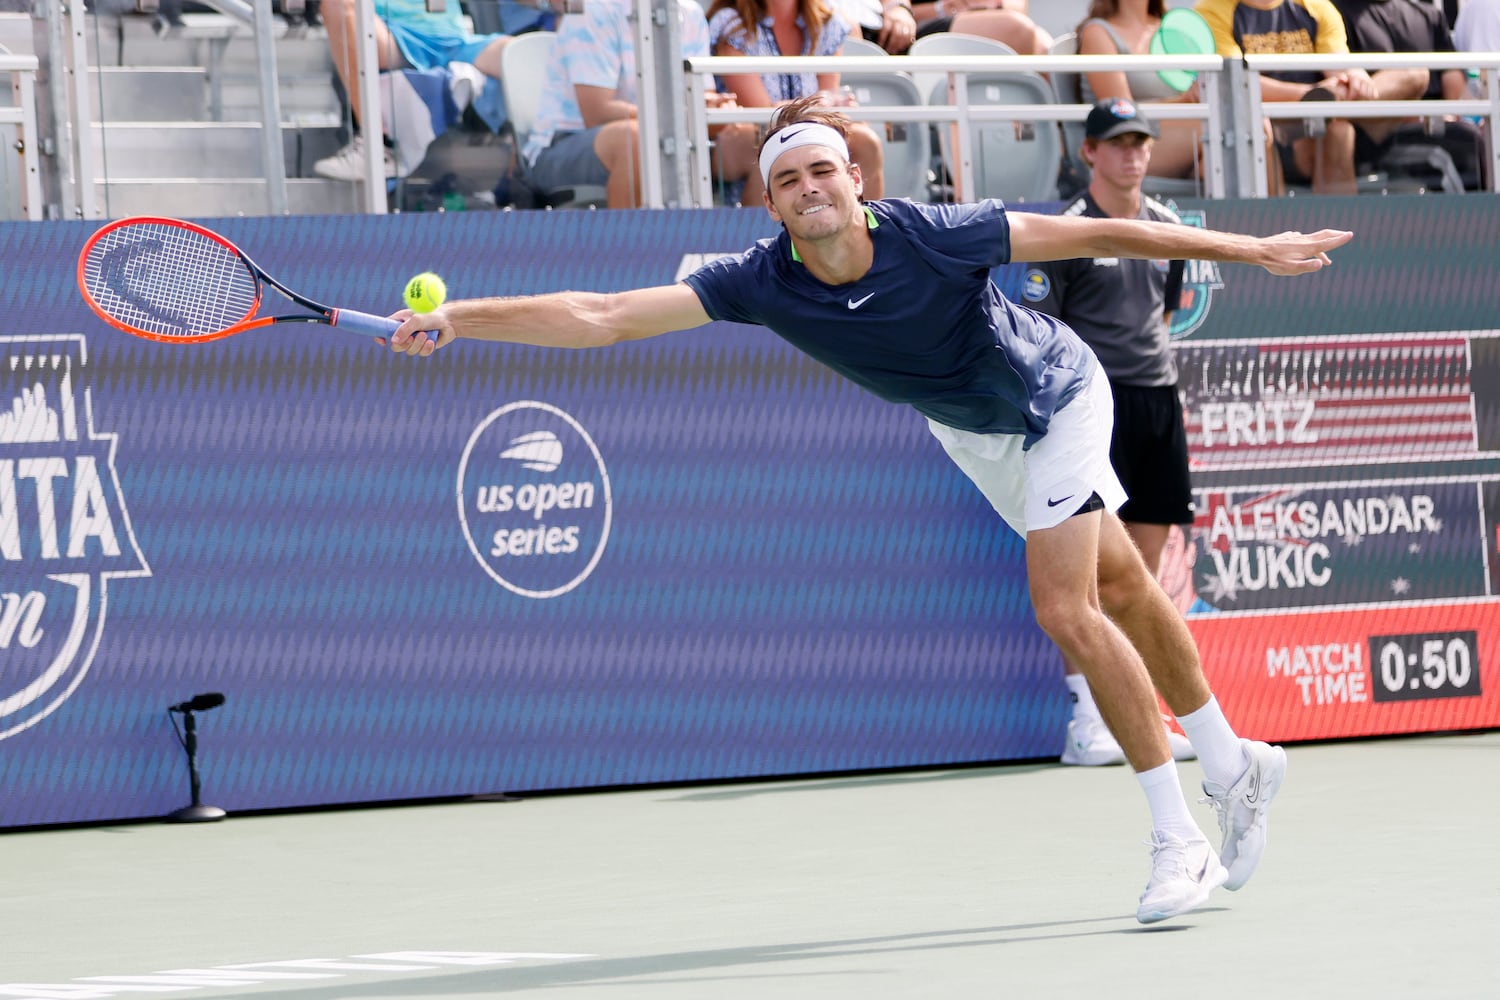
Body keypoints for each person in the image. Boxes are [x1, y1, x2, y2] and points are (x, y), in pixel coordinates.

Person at [387, 96, 1345, 924]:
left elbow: (1101, 233)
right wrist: (459, 317)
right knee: (1124, 587)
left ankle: (1179, 838)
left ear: (855, 180)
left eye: (824, 172)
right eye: (790, 180)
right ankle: (1234, 764)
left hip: (1055, 393)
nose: (811, 189)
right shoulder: (759, 280)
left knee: (1066, 609)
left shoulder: (935, 233)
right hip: (974, 434)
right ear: (769, 203)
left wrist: (1252, 247)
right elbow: (600, 315)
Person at [1023, 99, 1197, 768]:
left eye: (1141, 142)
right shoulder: (1063, 231)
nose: (1132, 154)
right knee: (1086, 574)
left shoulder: (1168, 227)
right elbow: (1042, 330)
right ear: (1089, 152)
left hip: (1158, 400)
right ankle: (1087, 720)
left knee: (1140, 576)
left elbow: (1162, 314)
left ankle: (1139, 712)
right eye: (1116, 142)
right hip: (1093, 409)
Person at [521, 0, 760, 208]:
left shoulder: (691, 13)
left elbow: (698, 100)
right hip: (559, 146)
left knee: (756, 141)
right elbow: (597, 113)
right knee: (636, 141)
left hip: (670, 138)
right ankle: (637, 256)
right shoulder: (594, 9)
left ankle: (762, 257)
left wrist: (716, 110)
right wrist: (684, 115)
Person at [1195, 0, 1428, 194]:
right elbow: (1234, 82)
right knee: (1334, 127)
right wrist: (1307, 95)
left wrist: (1355, 79)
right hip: (1266, 133)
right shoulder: (1211, 12)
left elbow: (1340, 63)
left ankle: (1338, 237)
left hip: (1331, 121)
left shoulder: (1316, 6)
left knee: (1414, 73)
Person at [708, 0, 886, 205]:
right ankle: (765, 234)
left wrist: (836, 108)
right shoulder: (732, 23)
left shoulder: (826, 22)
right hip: (742, 138)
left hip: (808, 128)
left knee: (865, 140)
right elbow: (761, 113)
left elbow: (828, 103)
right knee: (771, 141)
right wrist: (822, 104)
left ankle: (867, 231)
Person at [314, 0, 513, 181]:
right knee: (338, 2)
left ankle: (527, 156)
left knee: (527, 51)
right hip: (394, 39)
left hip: (457, 42)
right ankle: (375, 147)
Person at [1336, 0, 1487, 190]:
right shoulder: (1335, 14)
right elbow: (1350, 92)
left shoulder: (1430, 15)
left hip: (1443, 130)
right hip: (1381, 140)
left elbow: (1455, 92)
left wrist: (1446, 116)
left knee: (1471, 139)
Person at [1075, 0, 1205, 181]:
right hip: (1126, 142)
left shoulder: (1172, 28)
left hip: (1180, 135)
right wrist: (1183, 101)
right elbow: (1123, 114)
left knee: (1240, 136)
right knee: (1215, 133)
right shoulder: (1098, 33)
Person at [832, 0, 1052, 54]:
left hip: (907, 28)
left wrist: (897, 8)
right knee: (845, 28)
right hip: (882, 30)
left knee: (1030, 35)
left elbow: (1014, 6)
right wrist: (944, 8)